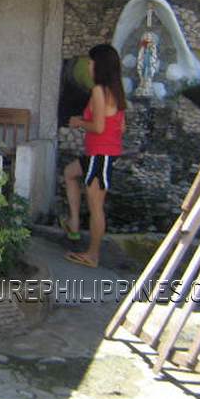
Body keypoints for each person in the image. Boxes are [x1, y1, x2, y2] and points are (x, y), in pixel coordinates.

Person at [62, 44, 126, 268]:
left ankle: (92, 255)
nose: (88, 65)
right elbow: (122, 126)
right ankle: (74, 222)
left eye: (91, 62)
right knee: (70, 173)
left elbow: (98, 127)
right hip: (100, 153)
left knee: (96, 205)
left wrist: (78, 122)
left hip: (101, 155)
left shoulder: (99, 91)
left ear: (100, 65)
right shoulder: (115, 91)